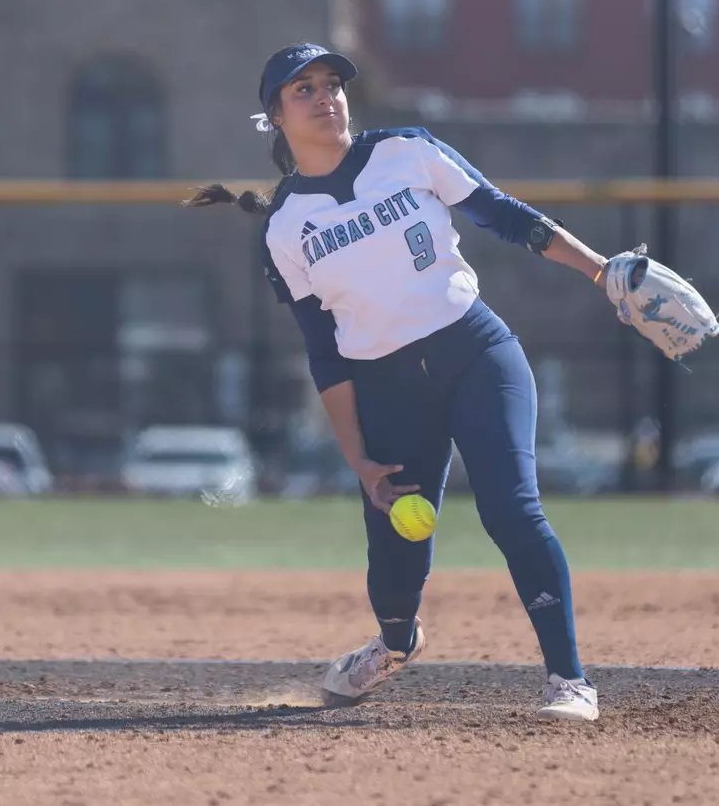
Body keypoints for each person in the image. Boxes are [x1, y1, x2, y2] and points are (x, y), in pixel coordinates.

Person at [187, 42, 628, 722]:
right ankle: (396, 642)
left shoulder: (406, 151)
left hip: (478, 355)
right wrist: (359, 460)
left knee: (512, 510)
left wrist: (602, 272)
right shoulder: (284, 229)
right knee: (395, 559)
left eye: (331, 82)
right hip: (386, 390)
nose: (325, 95)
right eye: (302, 89)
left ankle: (569, 681)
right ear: (273, 115)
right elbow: (325, 356)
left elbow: (504, 215)